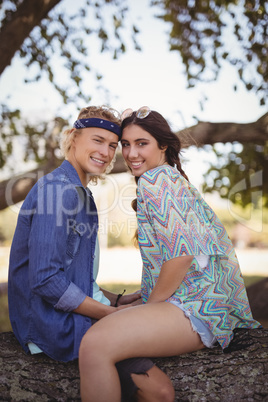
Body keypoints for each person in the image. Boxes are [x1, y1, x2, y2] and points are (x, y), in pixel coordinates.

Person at [78, 106, 261, 402]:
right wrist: (145, 296)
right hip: (206, 306)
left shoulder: (156, 181)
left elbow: (181, 257)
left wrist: (149, 306)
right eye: (125, 144)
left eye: (142, 143)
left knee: (94, 344)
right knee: (111, 331)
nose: (131, 153)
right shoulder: (171, 179)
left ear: (163, 145)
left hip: (195, 308)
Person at [8, 105, 174, 401]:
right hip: (50, 326)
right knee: (157, 389)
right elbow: (46, 280)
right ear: (74, 137)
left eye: (113, 145)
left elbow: (72, 275)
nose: (107, 152)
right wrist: (111, 315)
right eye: (97, 140)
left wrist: (119, 299)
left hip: (65, 317)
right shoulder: (58, 191)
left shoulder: (79, 194)